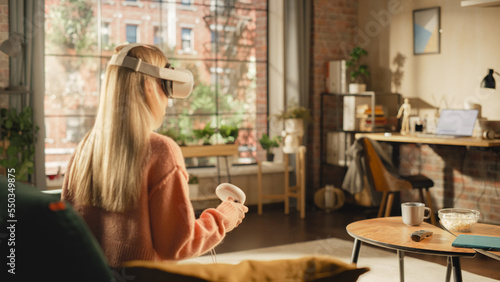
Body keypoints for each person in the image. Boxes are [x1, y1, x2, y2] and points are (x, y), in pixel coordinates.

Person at [62, 43, 248, 268]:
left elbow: (71, 231)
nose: (168, 99)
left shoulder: (83, 150)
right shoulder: (161, 151)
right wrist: (222, 219)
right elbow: (177, 246)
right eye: (165, 85)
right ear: (148, 86)